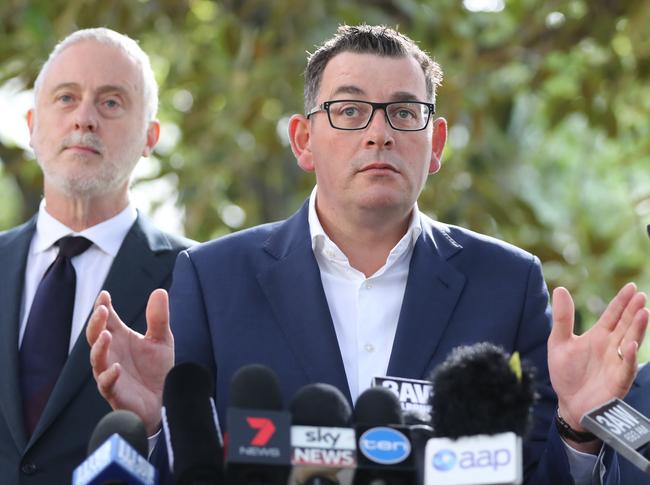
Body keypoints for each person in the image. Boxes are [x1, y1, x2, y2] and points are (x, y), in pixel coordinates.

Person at [87, 25, 649, 484]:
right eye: (351, 112)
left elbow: (537, 476)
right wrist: (157, 424)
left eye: (404, 113)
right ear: (303, 141)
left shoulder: (507, 281)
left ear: (437, 145)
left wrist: (576, 428)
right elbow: (191, 468)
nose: (379, 134)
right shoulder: (213, 277)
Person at [0, 28, 191, 484]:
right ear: (31, 125)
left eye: (110, 102)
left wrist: (154, 427)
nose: (84, 118)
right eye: (66, 98)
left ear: (150, 137)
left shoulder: (200, 279)